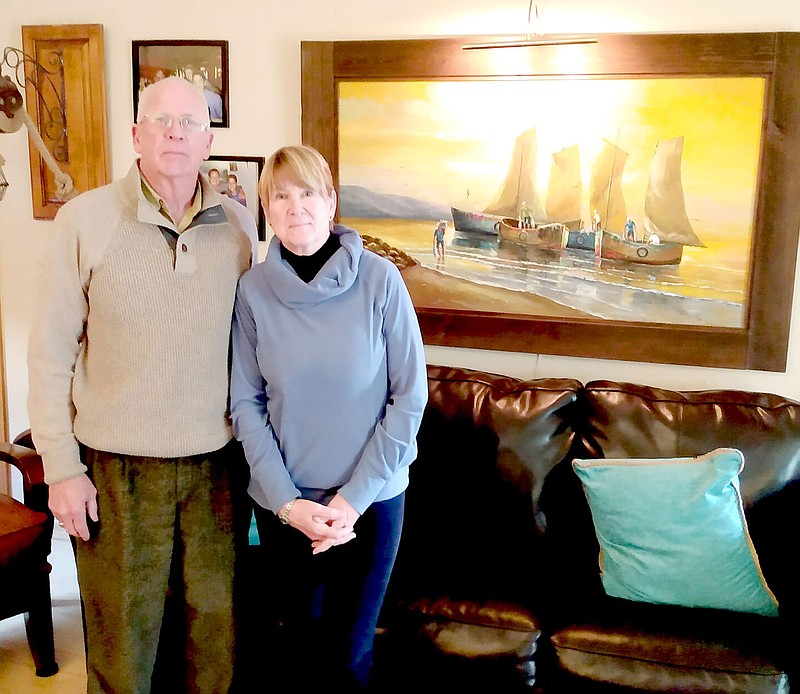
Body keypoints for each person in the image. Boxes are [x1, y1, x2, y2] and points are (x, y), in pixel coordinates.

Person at [26, 75, 258, 693]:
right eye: (161, 121)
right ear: (136, 134)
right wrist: (61, 469)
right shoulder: (85, 220)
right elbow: (49, 353)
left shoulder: (237, 227)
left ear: (209, 140)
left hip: (216, 471)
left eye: (190, 122)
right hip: (115, 471)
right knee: (124, 656)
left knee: (214, 651)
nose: (176, 133)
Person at [230, 144, 428, 692]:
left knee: (348, 655)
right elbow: (246, 404)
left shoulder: (381, 281)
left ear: (331, 201)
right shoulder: (252, 292)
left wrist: (351, 502)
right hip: (285, 505)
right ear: (267, 208)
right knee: (294, 647)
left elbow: (409, 398)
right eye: (282, 196)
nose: (298, 207)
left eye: (309, 192)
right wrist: (289, 505)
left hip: (371, 503)